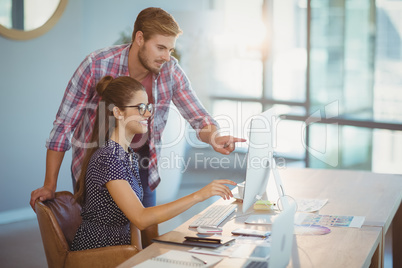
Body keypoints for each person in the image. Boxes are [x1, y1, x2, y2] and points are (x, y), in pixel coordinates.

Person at [30, 7, 245, 246]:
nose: (167, 56)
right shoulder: (96, 65)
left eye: (170, 49)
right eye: (161, 47)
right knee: (103, 234)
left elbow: (198, 117)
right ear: (139, 38)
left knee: (146, 234)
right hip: (97, 160)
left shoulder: (171, 71)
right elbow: (63, 126)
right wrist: (50, 184)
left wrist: (214, 137)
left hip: (139, 161)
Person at [70, 75, 236, 251]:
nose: (148, 114)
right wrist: (199, 195)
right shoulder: (108, 158)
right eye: (141, 108)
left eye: (148, 107)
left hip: (122, 250)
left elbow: (133, 223)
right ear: (118, 112)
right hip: (100, 253)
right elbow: (141, 218)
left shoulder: (126, 154)